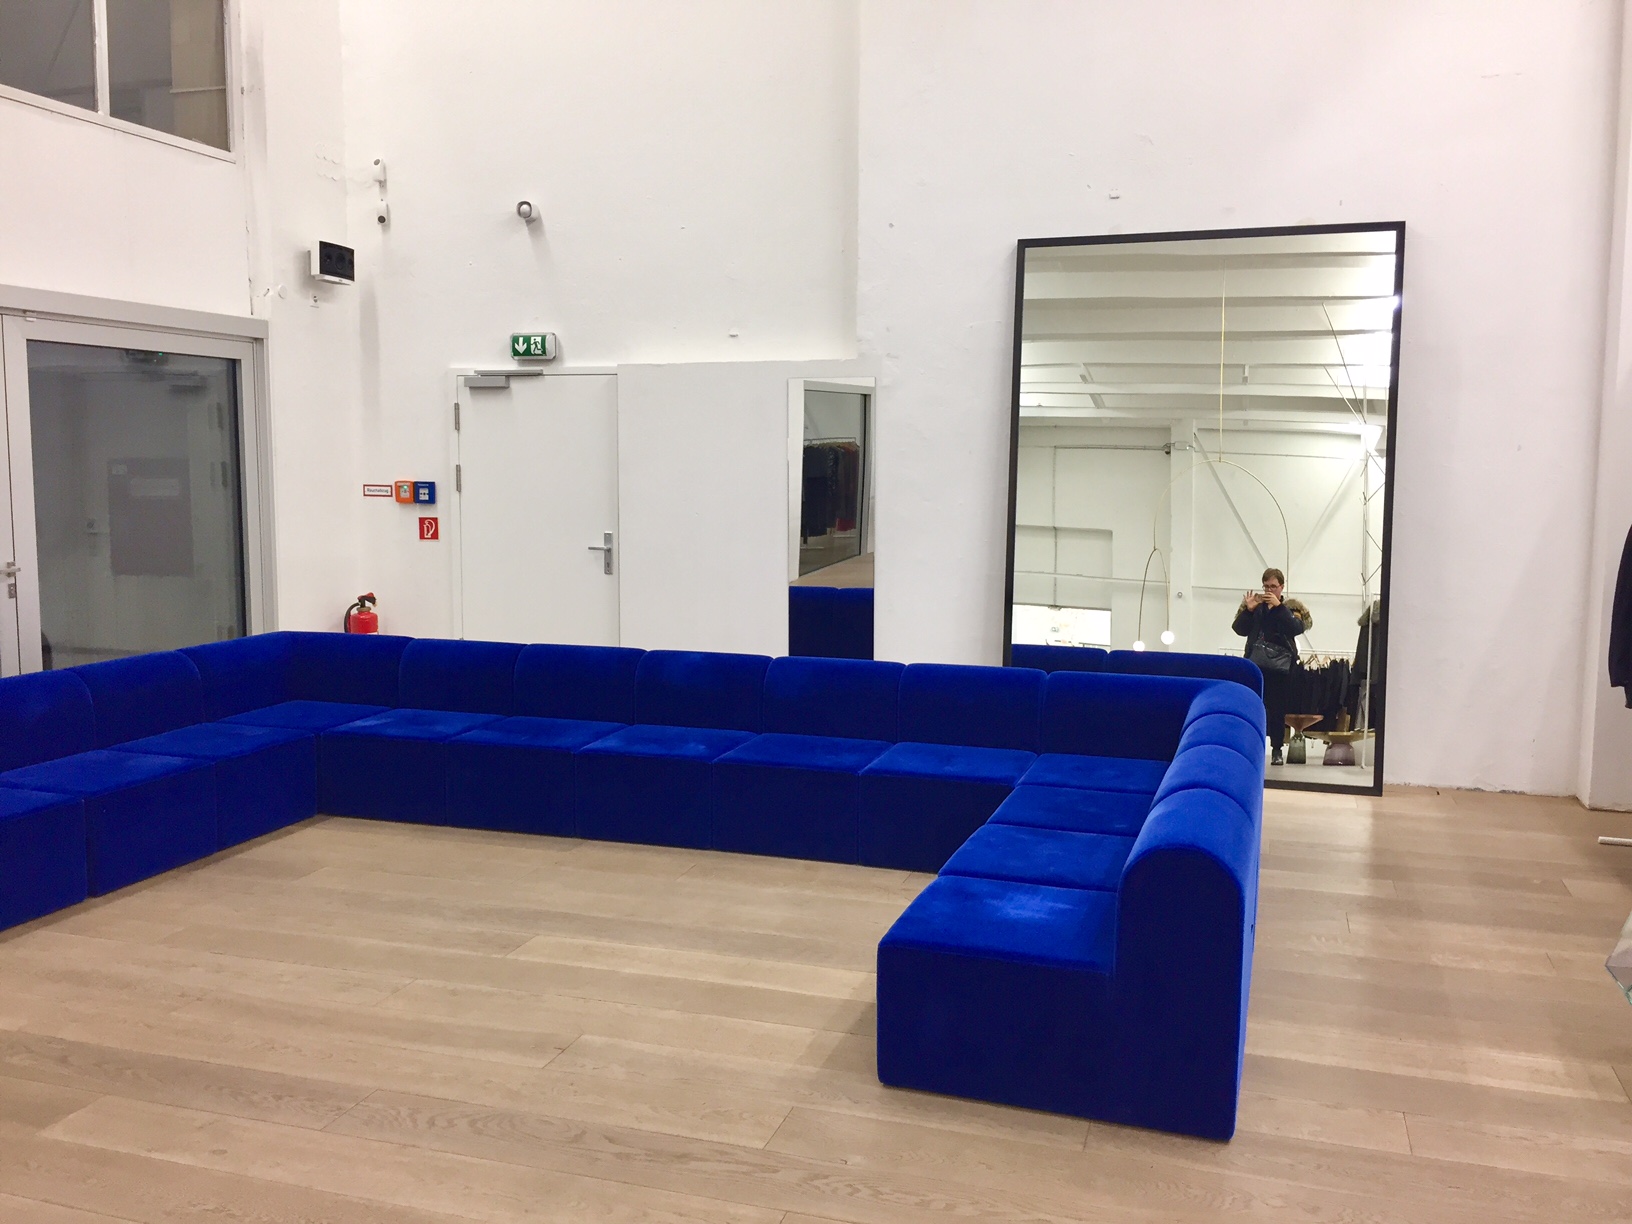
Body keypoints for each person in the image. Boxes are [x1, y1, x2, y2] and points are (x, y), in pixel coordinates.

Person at [1232, 568, 1314, 766]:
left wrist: (1279, 608)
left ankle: (1277, 749)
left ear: (1281, 587)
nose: (1269, 590)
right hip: (1255, 665)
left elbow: (1296, 629)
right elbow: (1239, 629)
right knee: (1253, 707)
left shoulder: (1290, 609)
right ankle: (1251, 748)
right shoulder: (1256, 607)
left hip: (1280, 668)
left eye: (1273, 586)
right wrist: (1248, 611)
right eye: (1266, 586)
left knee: (1277, 710)